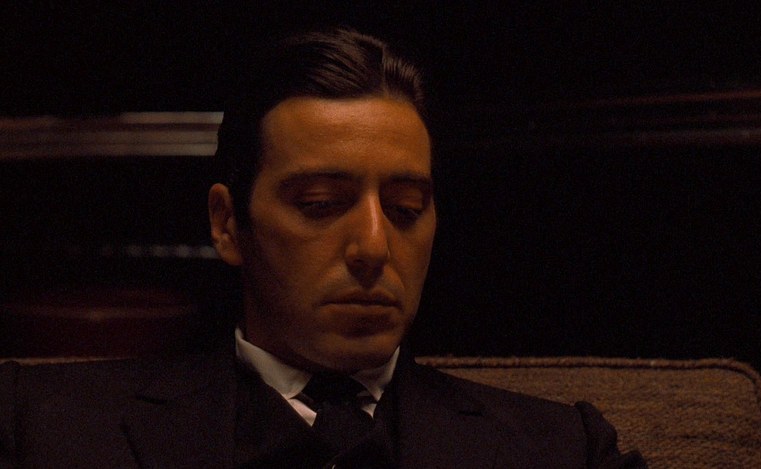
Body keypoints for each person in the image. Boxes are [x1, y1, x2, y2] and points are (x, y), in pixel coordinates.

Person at [0, 28, 645, 468]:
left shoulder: (562, 449)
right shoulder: (42, 424)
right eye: (319, 204)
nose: (373, 246)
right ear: (227, 224)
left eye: (405, 210)